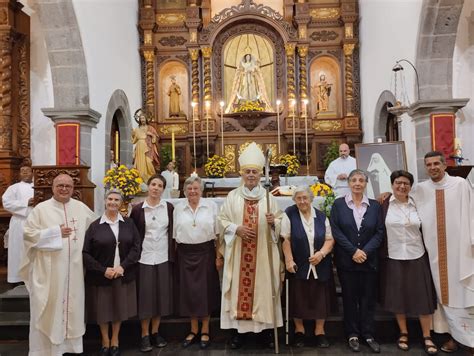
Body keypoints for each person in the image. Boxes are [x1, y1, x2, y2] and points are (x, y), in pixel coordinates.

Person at [19, 174, 95, 355]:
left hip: (75, 271)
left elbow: (97, 229)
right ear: (52, 187)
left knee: (73, 308)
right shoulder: (41, 209)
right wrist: (54, 233)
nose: (64, 189)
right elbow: (28, 235)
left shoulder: (81, 208)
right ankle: (45, 350)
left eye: (68, 186)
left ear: (73, 189)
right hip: (49, 271)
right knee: (49, 308)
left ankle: (70, 348)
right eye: (60, 185)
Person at [218, 142, 282, 349]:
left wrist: (275, 223)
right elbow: (221, 220)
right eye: (248, 172)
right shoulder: (232, 197)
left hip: (263, 255)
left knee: (264, 292)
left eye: (255, 172)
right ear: (242, 174)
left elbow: (282, 223)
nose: (251, 175)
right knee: (239, 292)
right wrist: (236, 229)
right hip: (239, 254)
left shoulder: (269, 198)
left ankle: (265, 333)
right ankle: (239, 333)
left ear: (260, 174)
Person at [410, 151, 474, 352]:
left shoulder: (460, 184)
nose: (432, 168)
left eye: (436, 163)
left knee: (464, 292)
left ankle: (470, 339)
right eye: (428, 164)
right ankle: (453, 337)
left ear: (444, 165)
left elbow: (472, 211)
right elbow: (403, 200)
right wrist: (385, 196)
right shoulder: (421, 189)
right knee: (442, 295)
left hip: (460, 250)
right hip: (435, 253)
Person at [379, 170, 437, 354]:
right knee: (398, 297)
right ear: (392, 185)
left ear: (410, 186)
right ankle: (403, 333)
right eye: (398, 183)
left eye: (405, 183)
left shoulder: (418, 204)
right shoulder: (383, 204)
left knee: (423, 297)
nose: (402, 186)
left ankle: (427, 335)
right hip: (393, 256)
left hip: (417, 255)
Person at [330, 169, 384, 353]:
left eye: (361, 180)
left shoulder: (375, 206)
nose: (357, 183)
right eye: (354, 180)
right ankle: (352, 333)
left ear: (366, 183)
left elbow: (379, 232)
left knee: (368, 299)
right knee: (349, 299)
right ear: (349, 183)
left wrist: (365, 252)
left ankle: (368, 334)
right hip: (347, 261)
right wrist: (353, 251)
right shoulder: (338, 205)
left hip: (369, 261)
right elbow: (336, 230)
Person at [83, 189, 141, 356]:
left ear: (121, 203)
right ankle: (105, 340)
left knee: (118, 309)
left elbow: (136, 248)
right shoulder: (95, 226)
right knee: (103, 311)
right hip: (102, 276)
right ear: (105, 201)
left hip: (122, 274)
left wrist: (123, 266)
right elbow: (86, 253)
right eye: (110, 199)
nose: (113, 202)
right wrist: (103, 270)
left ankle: (115, 339)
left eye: (116, 200)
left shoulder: (129, 223)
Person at [281, 186, 335, 348]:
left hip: (320, 264)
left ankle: (320, 331)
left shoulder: (321, 216)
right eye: (299, 198)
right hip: (299, 265)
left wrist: (322, 254)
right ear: (294, 200)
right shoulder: (289, 214)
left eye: (305, 198)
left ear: (311, 199)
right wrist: (289, 260)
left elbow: (329, 239)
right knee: (299, 298)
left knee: (320, 299)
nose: (302, 201)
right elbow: (286, 239)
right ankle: (299, 331)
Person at [173, 176, 221, 349]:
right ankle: (193, 329)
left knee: (205, 292)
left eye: (195, 188)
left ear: (201, 190)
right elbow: (174, 236)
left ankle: (206, 329)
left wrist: (218, 256)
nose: (192, 191)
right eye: (189, 189)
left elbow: (218, 235)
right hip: (185, 254)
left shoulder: (211, 206)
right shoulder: (178, 208)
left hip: (206, 252)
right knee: (189, 293)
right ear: (185, 191)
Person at [129, 174, 175, 352]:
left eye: (160, 185)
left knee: (161, 296)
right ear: (148, 187)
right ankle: (144, 334)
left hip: (163, 256)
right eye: (153, 184)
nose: (156, 188)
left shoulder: (169, 208)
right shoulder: (138, 209)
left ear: (164, 189)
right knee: (146, 297)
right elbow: (133, 234)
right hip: (145, 258)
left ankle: (156, 332)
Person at [2, 164, 34, 285]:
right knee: (18, 250)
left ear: (33, 173)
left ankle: (32, 276)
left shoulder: (38, 187)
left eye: (27, 171)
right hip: (19, 222)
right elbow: (6, 203)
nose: (25, 173)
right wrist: (26, 202)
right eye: (22, 171)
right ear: (19, 174)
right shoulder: (13, 188)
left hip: (35, 222)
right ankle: (18, 278)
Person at [132, 108, 160, 182]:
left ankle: (150, 179)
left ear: (146, 119)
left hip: (149, 148)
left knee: (149, 162)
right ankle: (141, 179)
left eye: (143, 118)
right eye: (141, 118)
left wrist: (151, 135)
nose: (142, 119)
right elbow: (133, 141)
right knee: (139, 165)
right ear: (139, 120)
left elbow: (156, 139)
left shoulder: (150, 128)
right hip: (139, 148)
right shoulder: (137, 129)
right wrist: (131, 134)